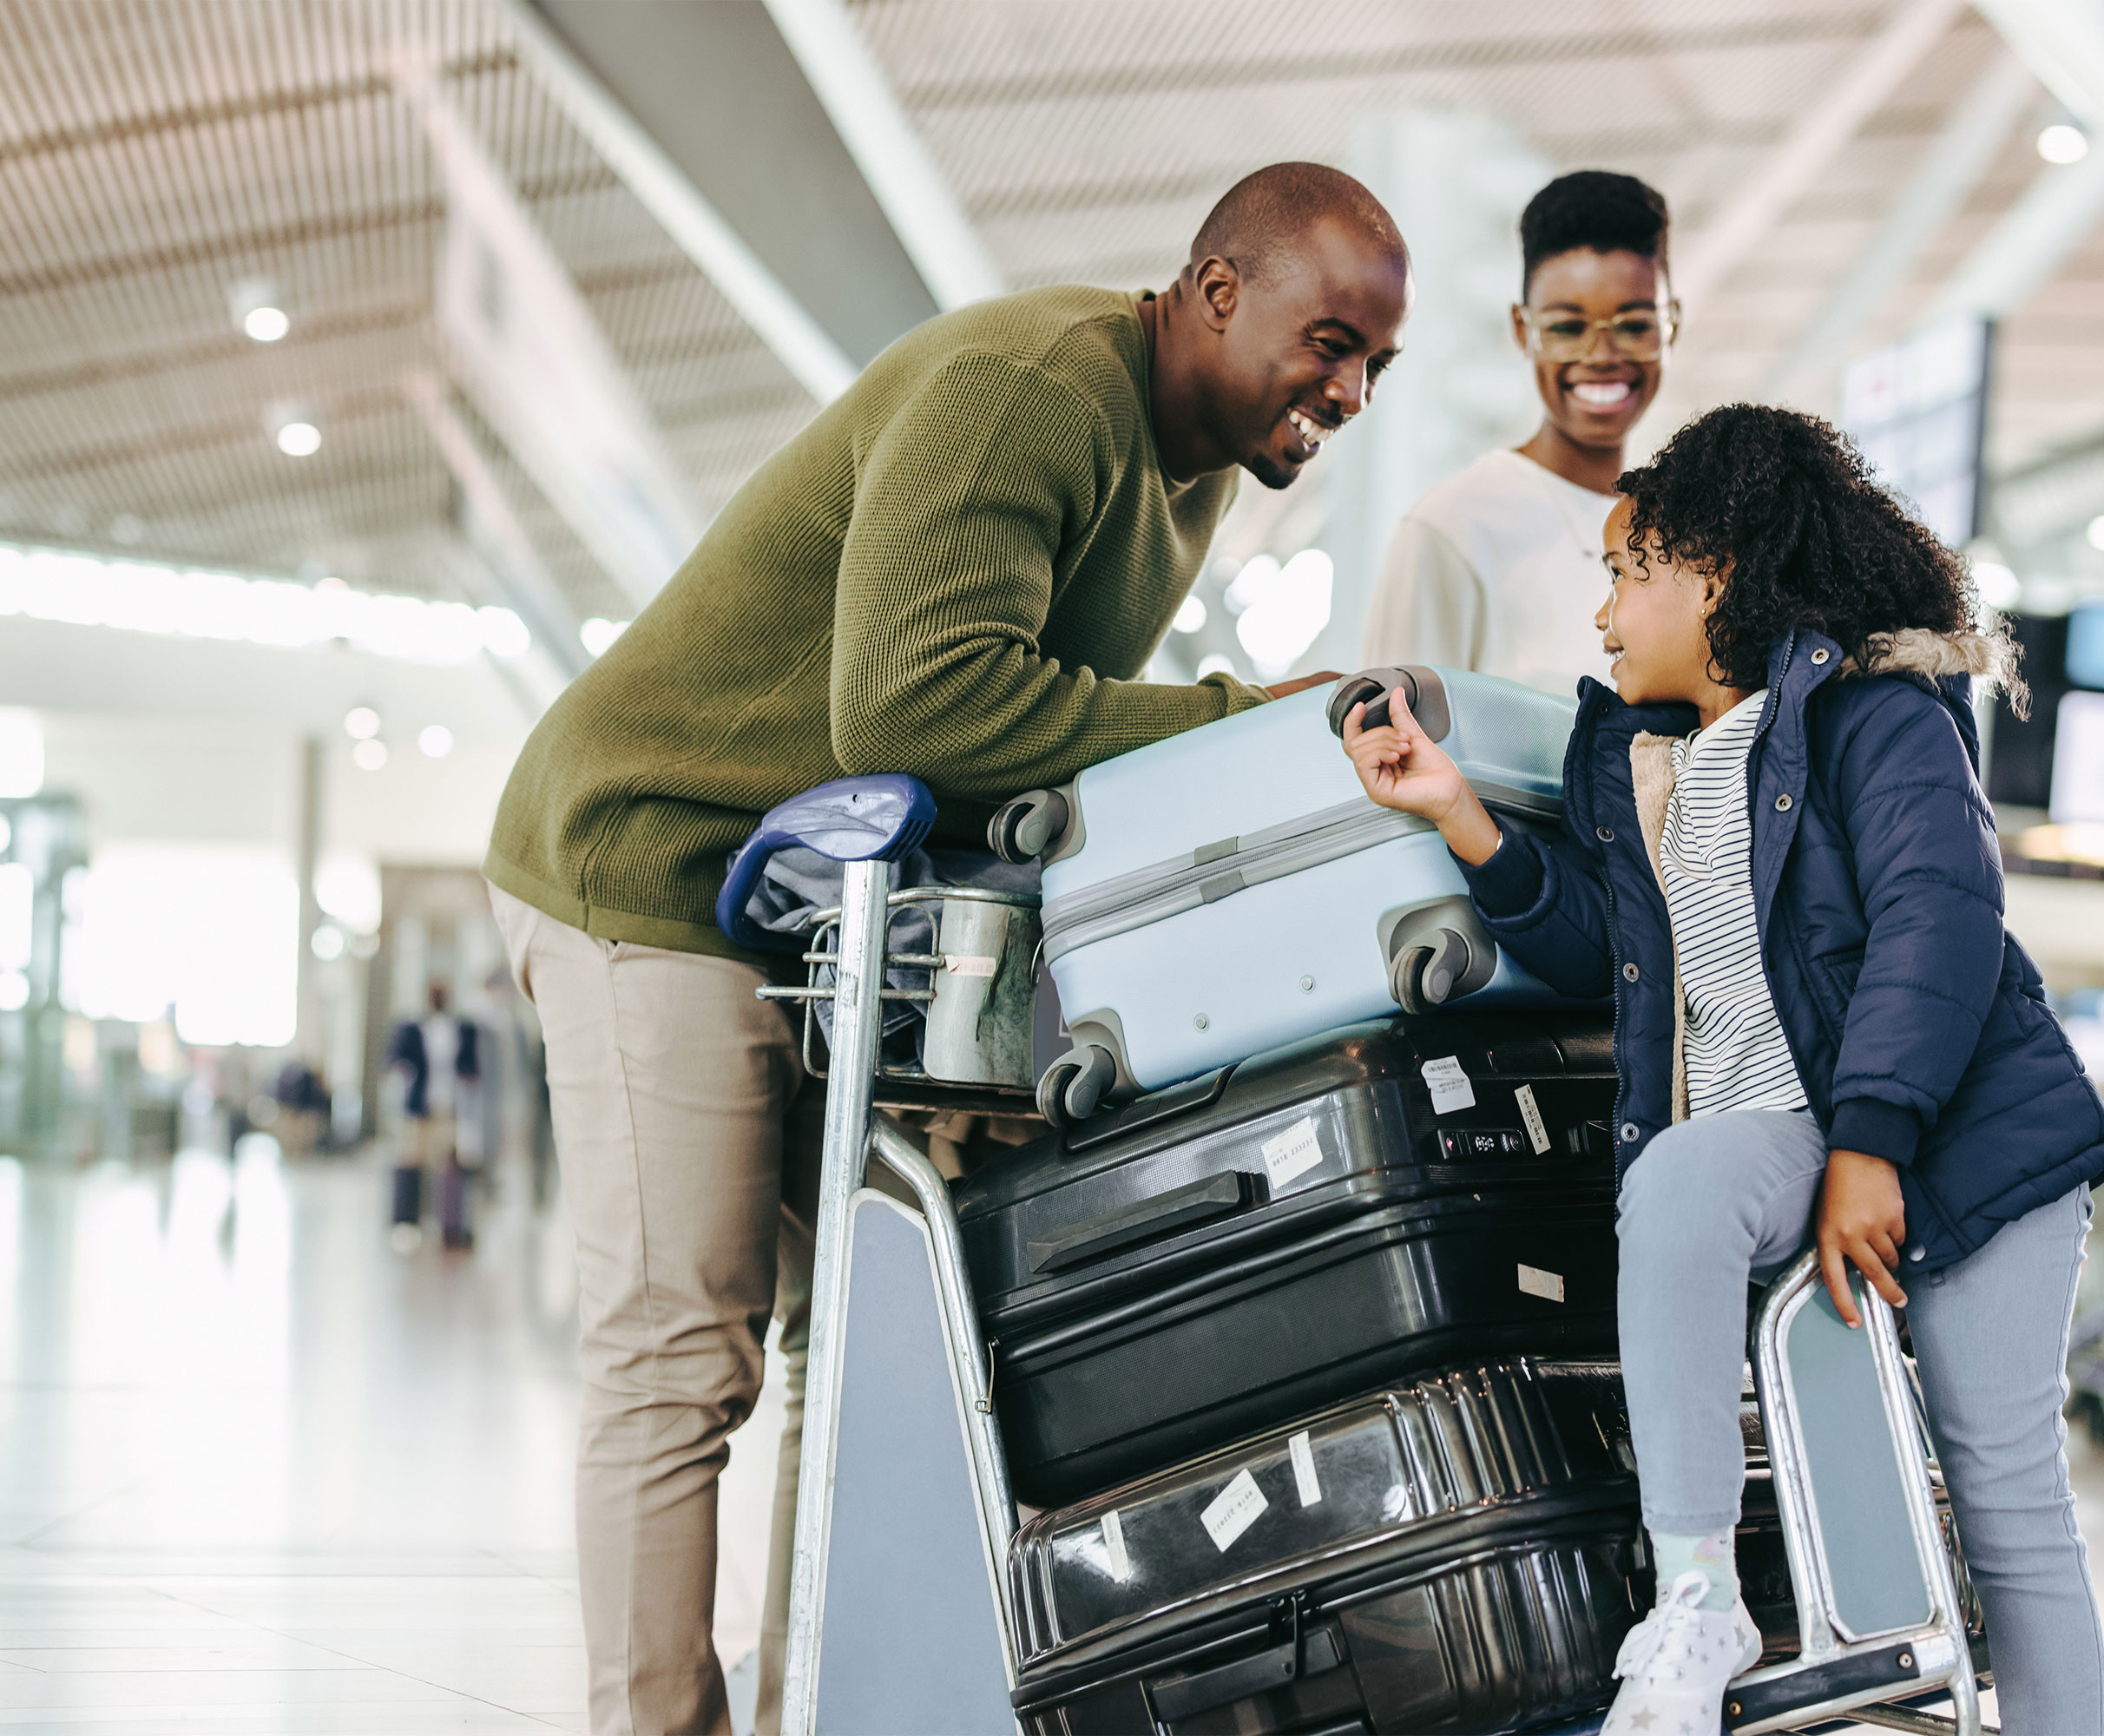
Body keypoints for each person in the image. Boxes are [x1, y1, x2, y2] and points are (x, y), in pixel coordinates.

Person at [483, 164, 1410, 1736]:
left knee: (853, 1346)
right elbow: (919, 711)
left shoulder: (1185, 469)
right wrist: (1240, 717)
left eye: (1375, 366)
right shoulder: (1034, 390)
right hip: (652, 862)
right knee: (683, 1353)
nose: (1349, 390)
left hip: (812, 912)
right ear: (1216, 288)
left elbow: (1010, 750)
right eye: (1329, 341)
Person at [1340, 404, 2104, 1735]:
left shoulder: (1881, 718)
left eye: (1624, 574)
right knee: (1686, 1178)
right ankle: (1695, 1595)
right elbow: (1605, 949)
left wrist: (1873, 1145)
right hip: (1788, 1131)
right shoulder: (1645, 763)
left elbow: (1941, 917)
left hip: (1973, 1147)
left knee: (2005, 1500)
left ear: (1713, 571)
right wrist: (1457, 812)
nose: (1602, 617)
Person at [1360, 170, 1675, 697]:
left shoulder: (1686, 531)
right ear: (1522, 330)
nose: (1600, 357)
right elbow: (1387, 753)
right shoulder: (1453, 529)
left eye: (1634, 325)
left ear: (1672, 326)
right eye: (1567, 328)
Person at [387, 981, 482, 1252]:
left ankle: (450, 1226)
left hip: (449, 1108)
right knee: (410, 1161)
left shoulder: (463, 1029)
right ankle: (406, 1224)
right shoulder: (410, 1028)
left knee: (449, 1166)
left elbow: (471, 1066)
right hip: (418, 1107)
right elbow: (395, 1061)